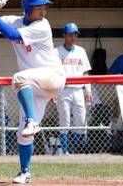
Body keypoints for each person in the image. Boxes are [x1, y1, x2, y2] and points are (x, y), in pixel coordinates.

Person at [0, 0, 66, 184]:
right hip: (34, 84)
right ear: (27, 9)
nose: (43, 12)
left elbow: (12, 35)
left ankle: (31, 120)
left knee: (19, 78)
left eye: (44, 7)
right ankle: (25, 171)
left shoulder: (43, 26)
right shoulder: (14, 20)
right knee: (23, 133)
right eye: (39, 8)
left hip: (52, 76)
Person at [54, 23, 92, 155]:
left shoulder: (81, 51)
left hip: (78, 90)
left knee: (81, 120)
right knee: (64, 120)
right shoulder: (56, 52)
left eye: (75, 34)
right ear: (64, 35)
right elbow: (53, 73)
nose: (73, 37)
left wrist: (88, 90)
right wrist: (53, 91)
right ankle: (65, 151)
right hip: (63, 90)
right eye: (70, 34)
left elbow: (85, 72)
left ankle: (80, 150)